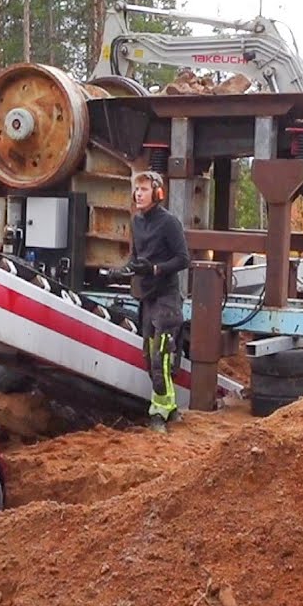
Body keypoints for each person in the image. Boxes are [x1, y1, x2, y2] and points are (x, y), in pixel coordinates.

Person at [117, 170, 190, 431]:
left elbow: (183, 259)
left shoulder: (169, 223)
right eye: (137, 189)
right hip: (146, 298)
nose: (138, 193)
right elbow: (136, 258)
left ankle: (159, 412)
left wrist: (156, 269)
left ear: (157, 194)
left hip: (167, 298)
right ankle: (169, 410)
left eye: (144, 189)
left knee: (162, 356)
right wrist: (126, 270)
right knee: (150, 357)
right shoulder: (137, 222)